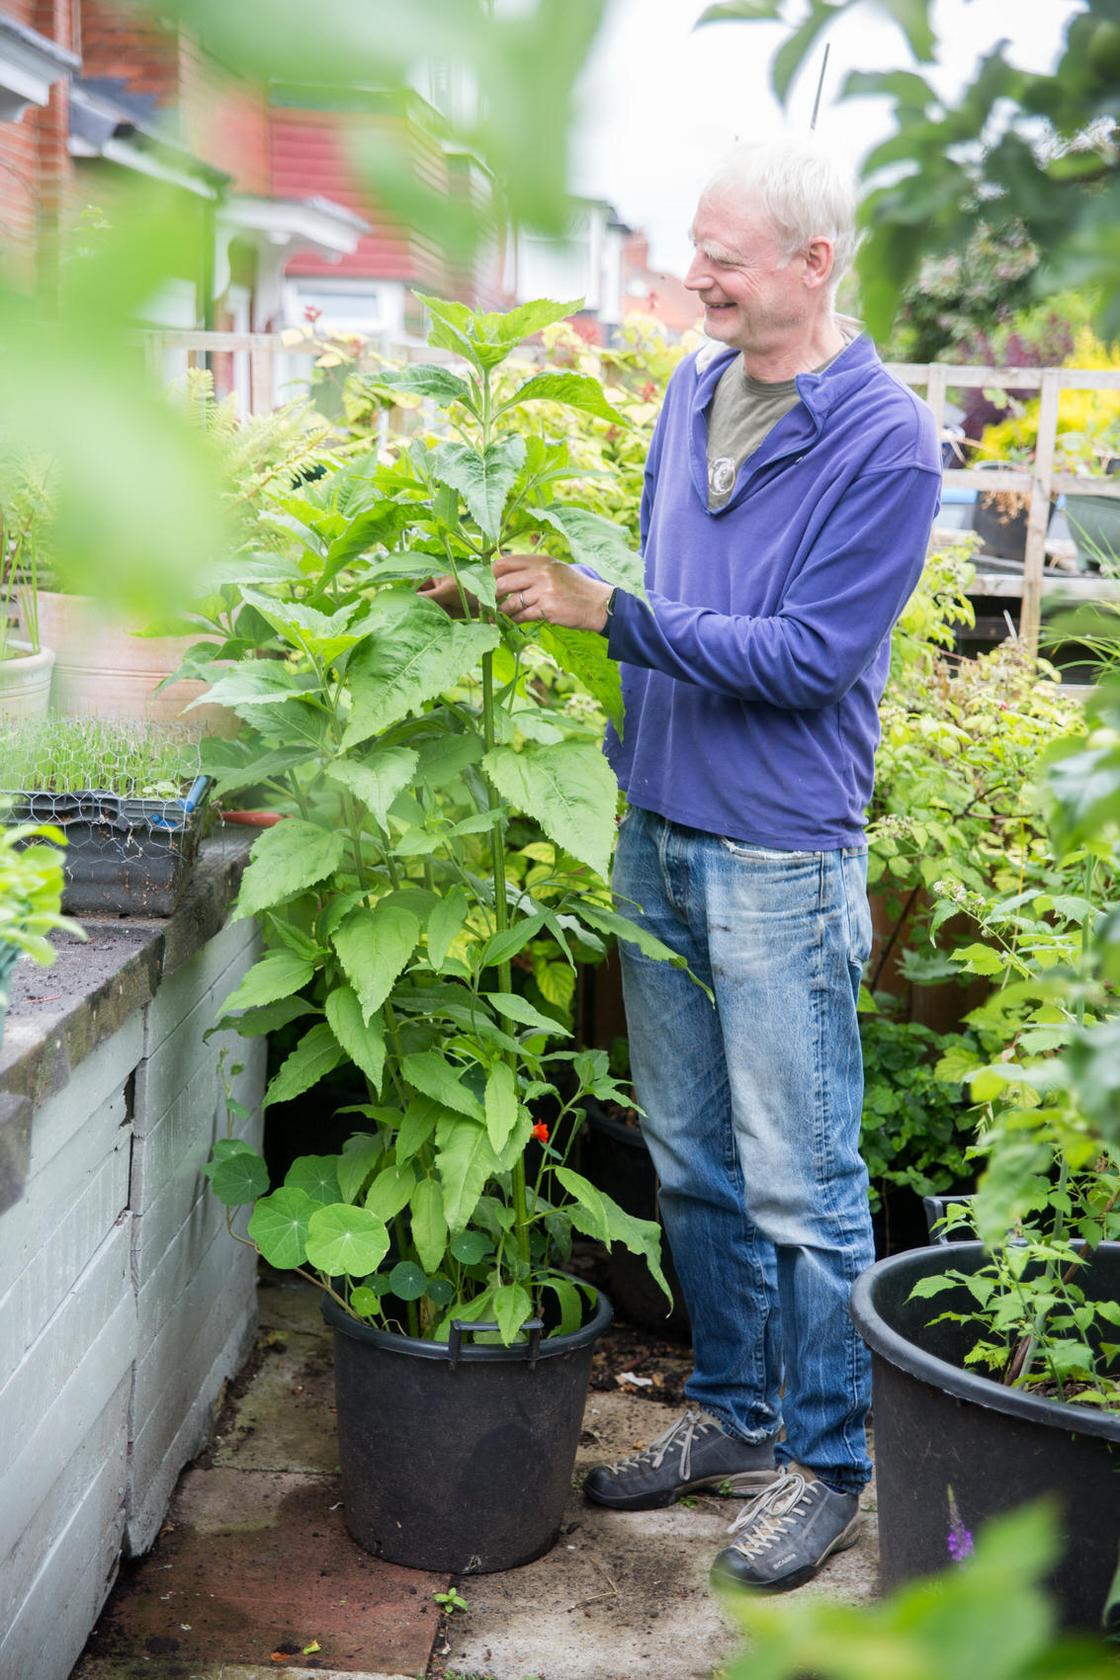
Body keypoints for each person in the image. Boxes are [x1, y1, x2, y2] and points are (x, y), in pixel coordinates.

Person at [423, 135, 941, 1592]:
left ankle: (826, 1464)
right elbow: (668, 581)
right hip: (654, 826)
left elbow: (806, 658)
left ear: (813, 265)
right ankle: (733, 1410)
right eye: (693, 248)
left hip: (778, 849)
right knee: (698, 1167)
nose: (694, 274)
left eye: (723, 255)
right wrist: (519, 596)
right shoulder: (694, 384)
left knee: (800, 1183)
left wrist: (615, 617)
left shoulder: (884, 437)